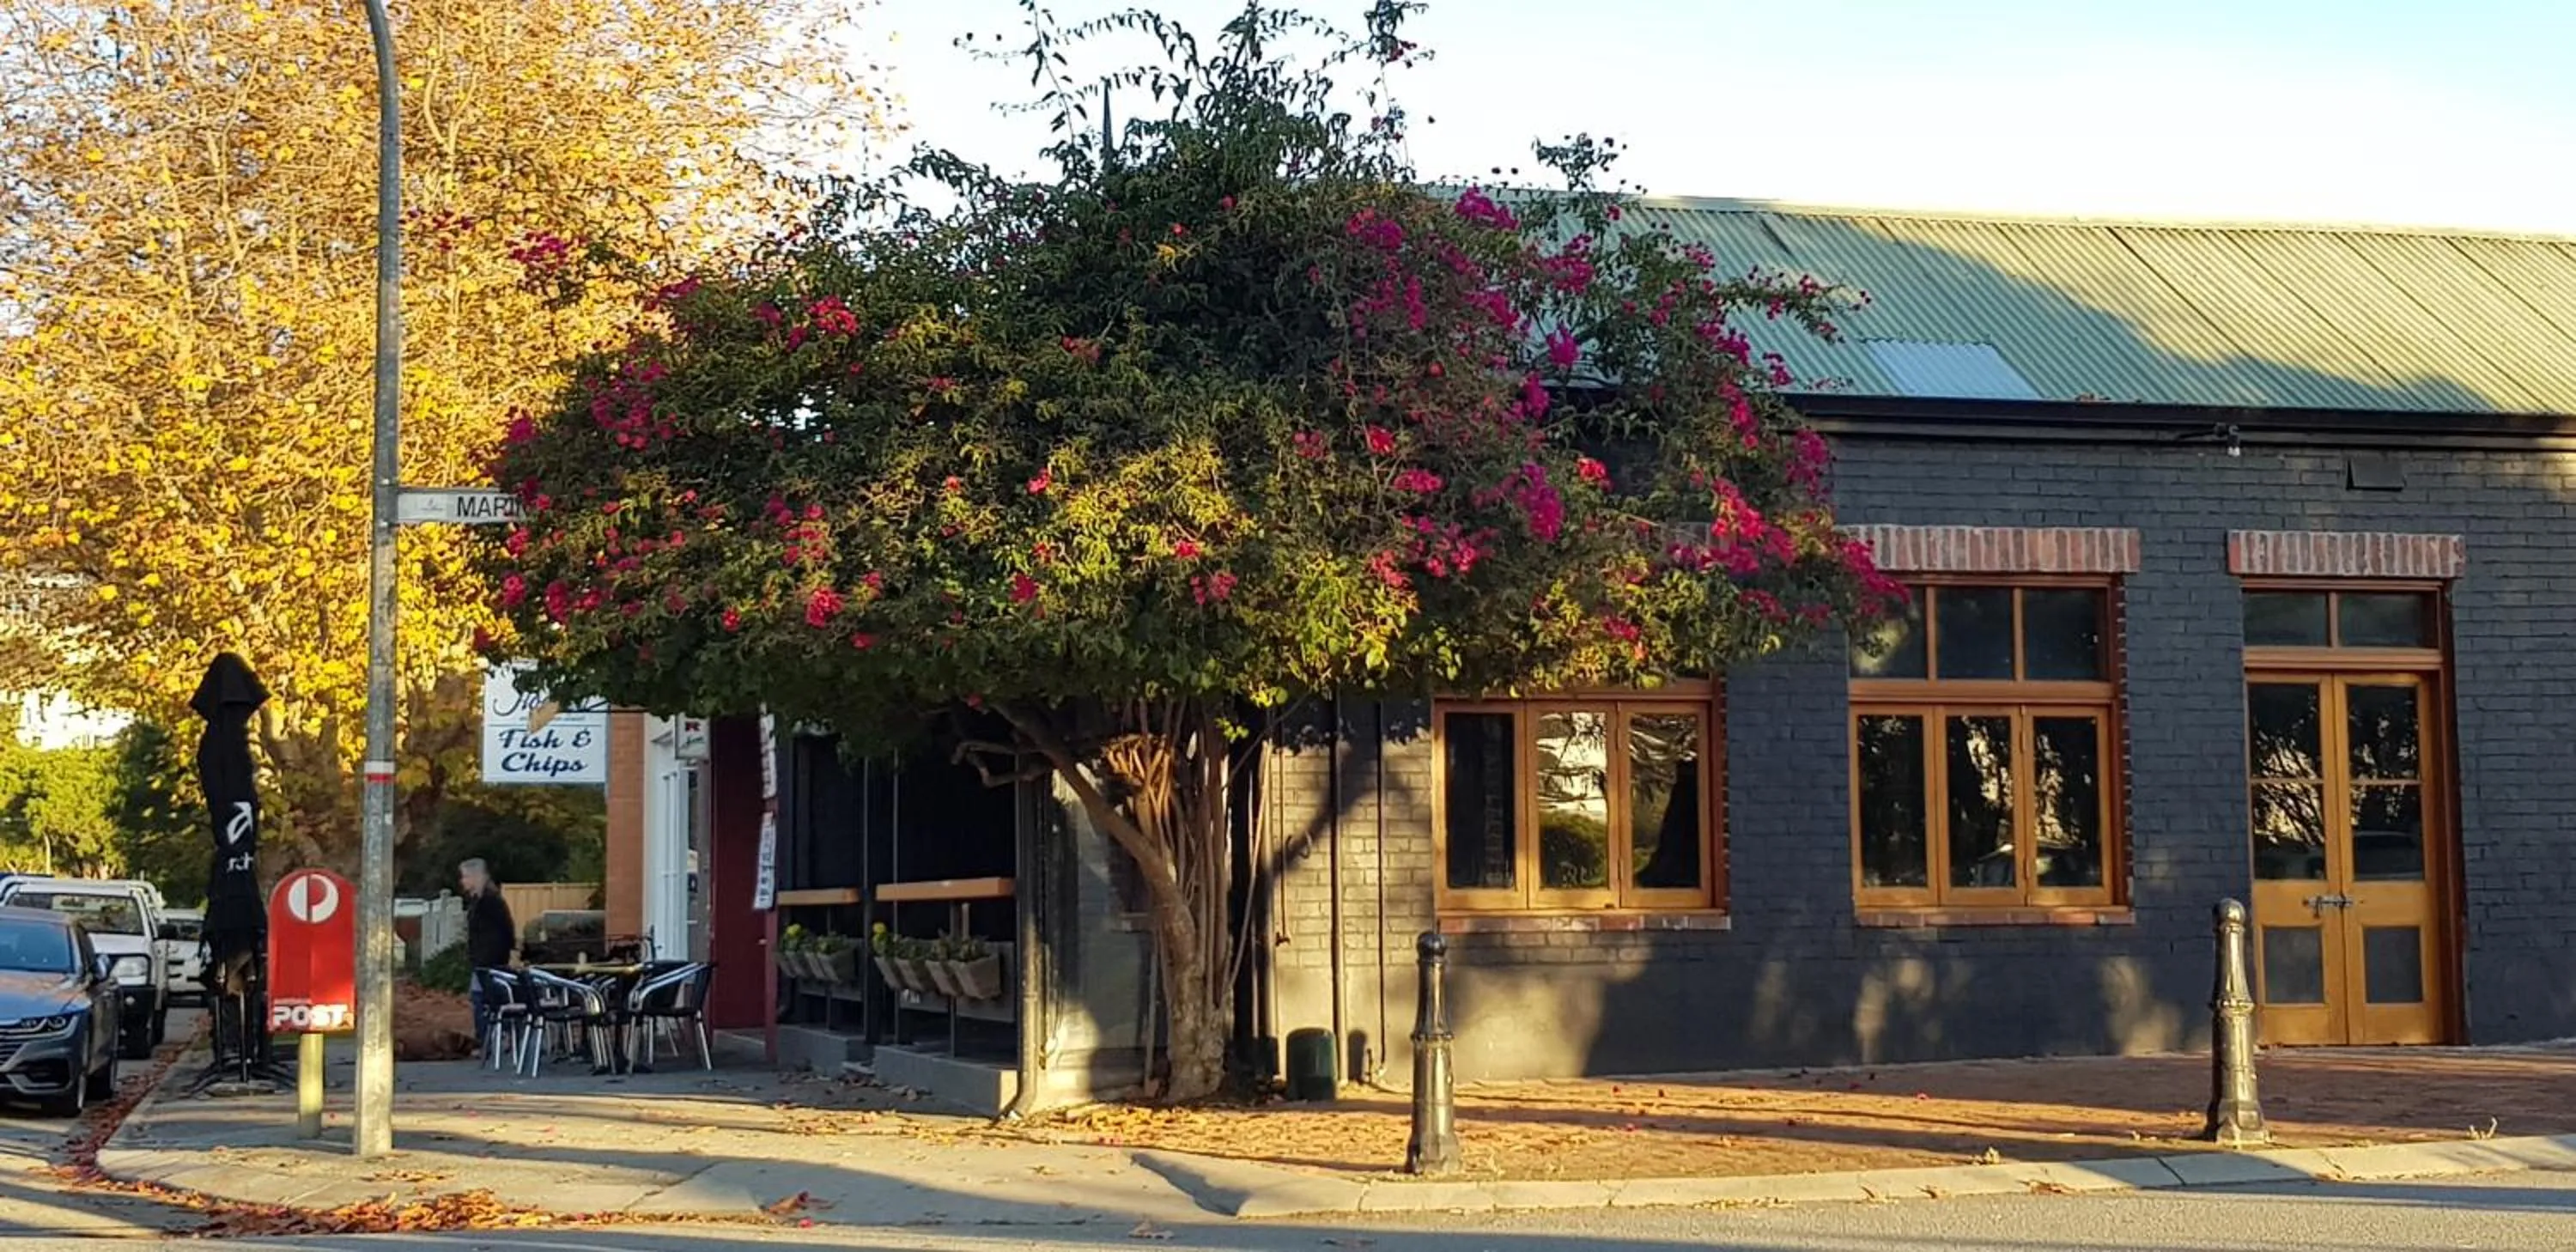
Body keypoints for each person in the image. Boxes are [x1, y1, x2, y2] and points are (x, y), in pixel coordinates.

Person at [460, 859, 516, 1053]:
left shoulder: (490, 901)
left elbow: (504, 930)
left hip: (489, 961)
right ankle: (495, 1037)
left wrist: (493, 956)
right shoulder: (480, 900)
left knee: (483, 999)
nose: (463, 881)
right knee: (485, 999)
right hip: (483, 959)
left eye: (466, 876)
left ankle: (487, 1041)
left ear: (477, 877)